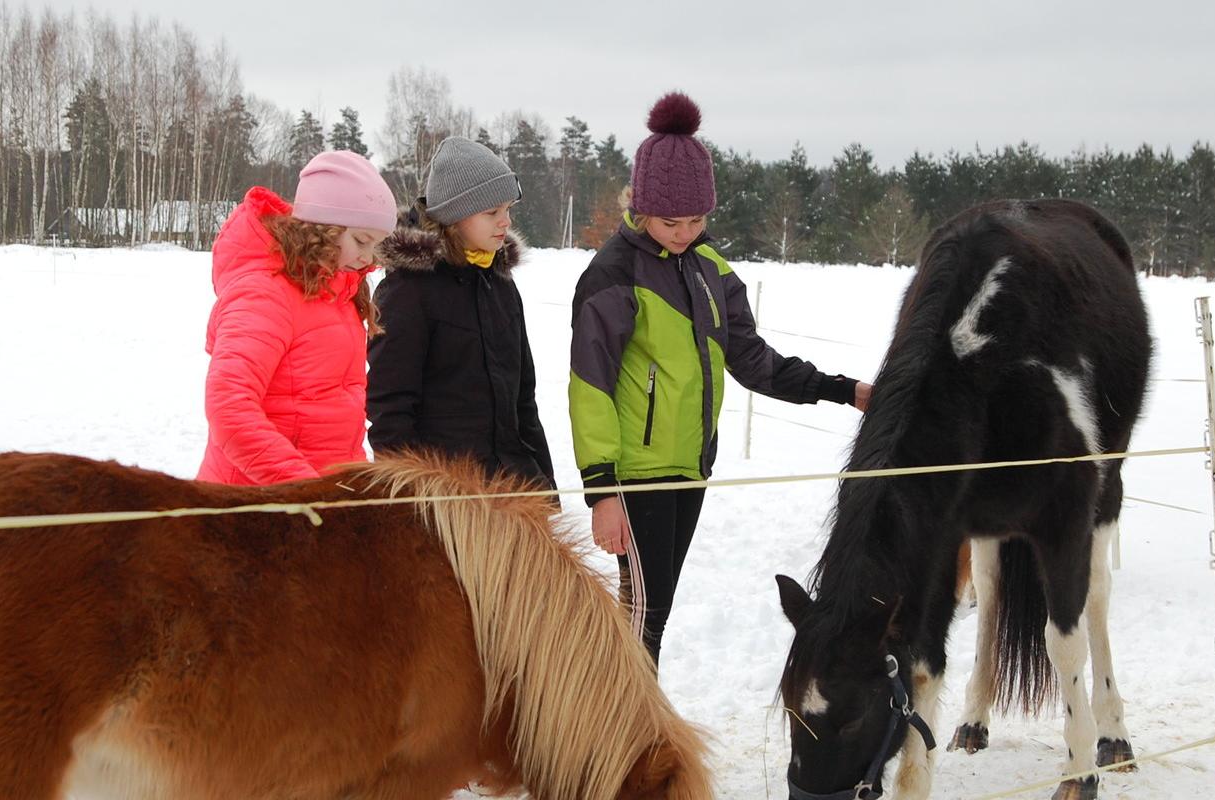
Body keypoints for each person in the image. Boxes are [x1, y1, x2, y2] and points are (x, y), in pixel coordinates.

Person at [568, 92, 872, 663]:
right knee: (640, 621)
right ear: (640, 209)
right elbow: (589, 387)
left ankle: (634, 733)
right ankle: (627, 741)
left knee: (652, 616)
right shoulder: (612, 275)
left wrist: (842, 389)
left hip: (691, 468)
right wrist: (602, 490)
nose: (685, 232)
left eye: (697, 219)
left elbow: (754, 361)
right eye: (670, 221)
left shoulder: (712, 270)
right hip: (637, 473)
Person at [367, 137, 557, 489]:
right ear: (455, 216)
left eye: (508, 210)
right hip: (449, 500)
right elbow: (390, 411)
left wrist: (544, 488)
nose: (506, 222)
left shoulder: (500, 283)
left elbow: (523, 403)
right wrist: (414, 498)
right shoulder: (408, 290)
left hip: (512, 488)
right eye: (492, 212)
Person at [197, 150, 397, 486]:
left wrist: (350, 488)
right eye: (361, 240)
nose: (367, 257)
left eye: (374, 245)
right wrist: (306, 489)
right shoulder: (264, 295)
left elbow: (334, 418)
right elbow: (230, 409)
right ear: (324, 228)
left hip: (316, 507)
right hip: (254, 507)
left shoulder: (338, 292)